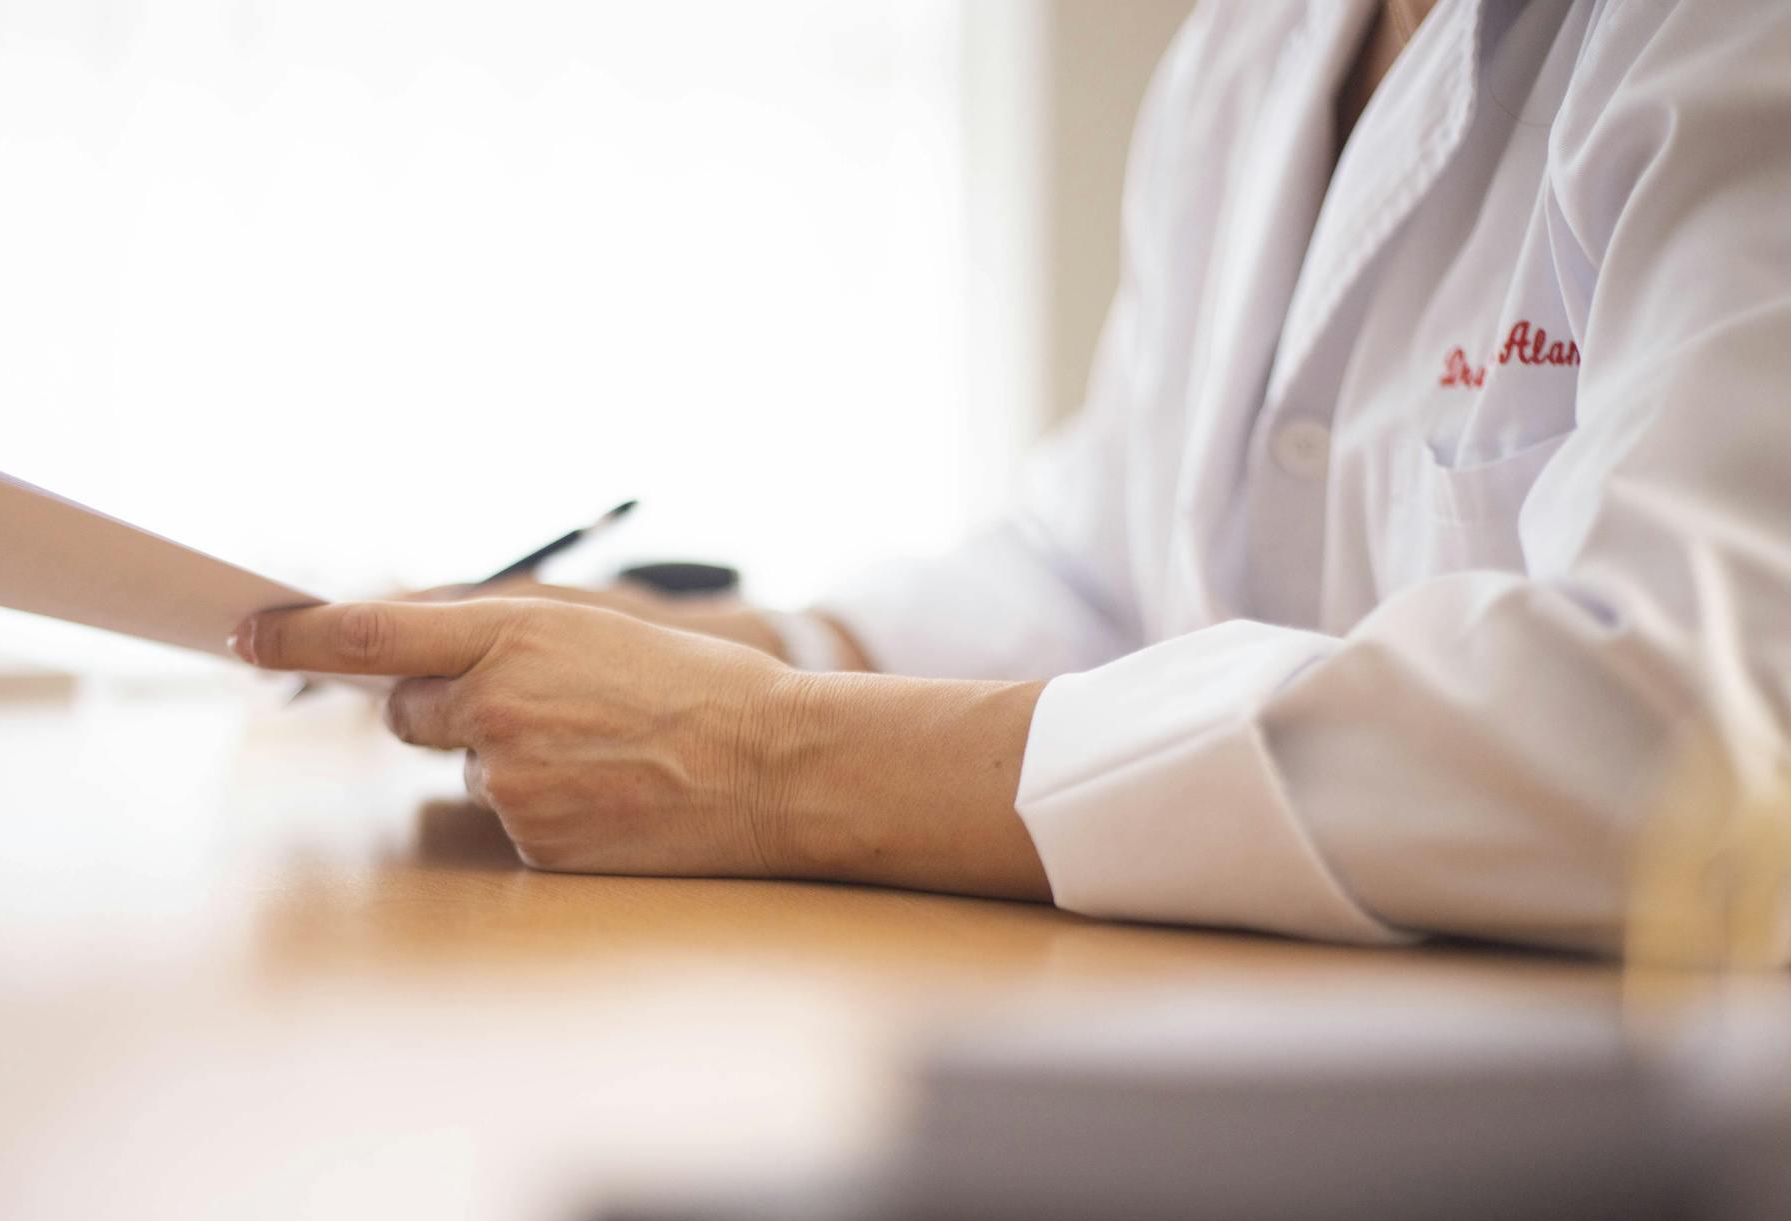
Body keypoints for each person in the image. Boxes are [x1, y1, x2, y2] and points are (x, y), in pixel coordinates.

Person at [230, 0, 1791, 954]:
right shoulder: (1252, 47)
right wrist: (746, 651)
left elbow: (1687, 735)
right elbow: (1102, 560)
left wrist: (773, 757)